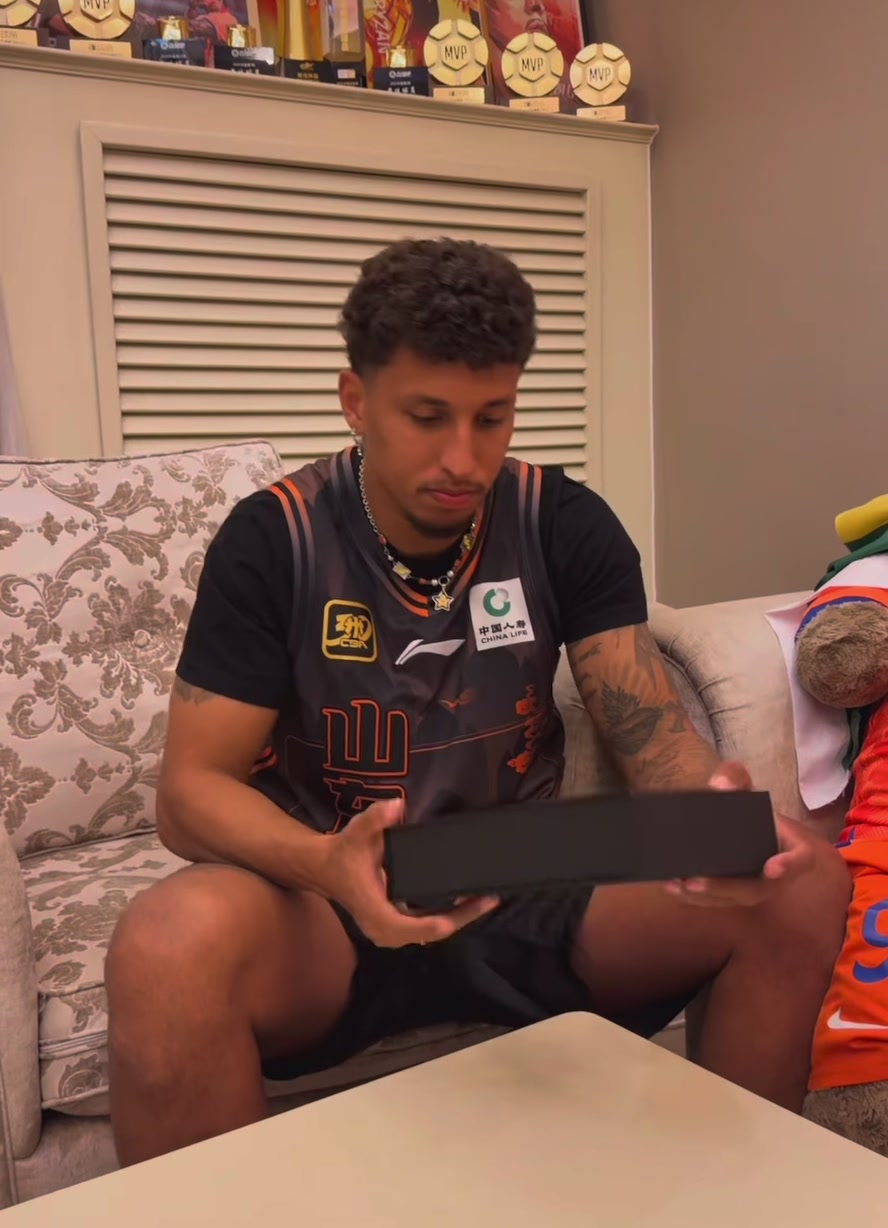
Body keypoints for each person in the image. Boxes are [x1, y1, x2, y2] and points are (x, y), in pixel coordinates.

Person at [105, 238, 850, 1167]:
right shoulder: (273, 541)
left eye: (491, 419)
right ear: (355, 400)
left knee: (797, 875)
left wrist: (708, 823)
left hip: (525, 864)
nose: (463, 458)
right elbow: (188, 796)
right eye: (427, 417)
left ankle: (737, 1201)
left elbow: (651, 735)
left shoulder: (561, 521)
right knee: (164, 947)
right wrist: (325, 864)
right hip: (328, 890)